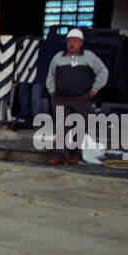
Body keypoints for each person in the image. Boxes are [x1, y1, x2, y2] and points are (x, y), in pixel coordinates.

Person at [44, 27, 108, 164]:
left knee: (79, 126)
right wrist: (52, 92)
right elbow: (50, 76)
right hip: (61, 97)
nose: (71, 44)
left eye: (74, 41)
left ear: (80, 43)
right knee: (61, 126)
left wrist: (95, 89)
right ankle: (59, 155)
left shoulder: (89, 57)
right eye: (69, 41)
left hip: (81, 98)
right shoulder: (58, 58)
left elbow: (103, 72)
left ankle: (75, 154)